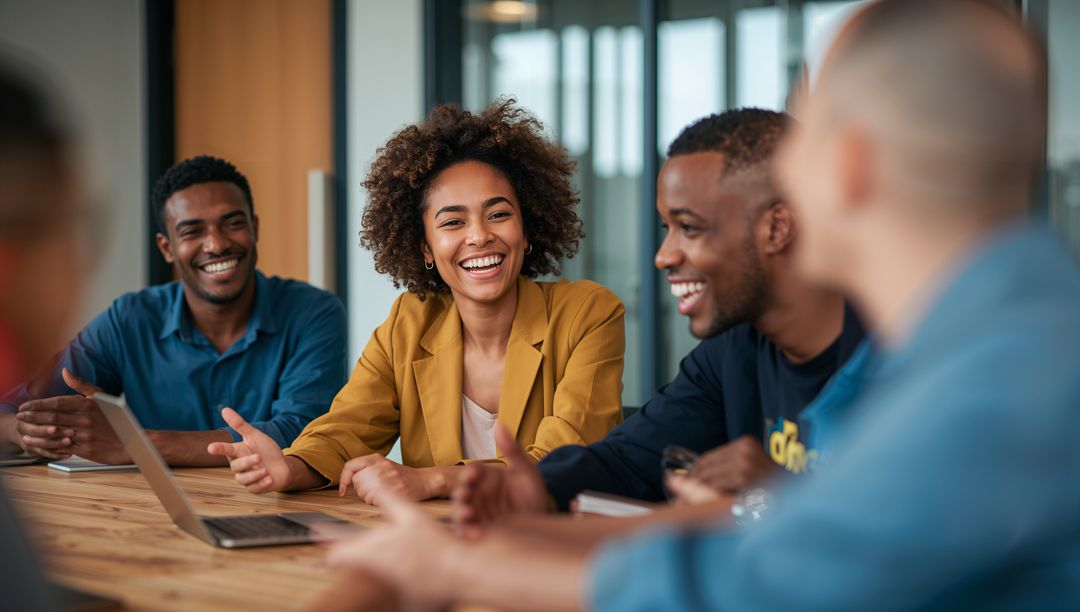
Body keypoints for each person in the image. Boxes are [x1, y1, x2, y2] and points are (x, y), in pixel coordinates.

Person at [324, 1, 1080, 610]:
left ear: (846, 163)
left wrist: (462, 571)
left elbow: (772, 580)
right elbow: (755, 530)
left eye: (804, 138)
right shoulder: (966, 338)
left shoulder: (999, 378)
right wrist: (488, 533)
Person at [452, 108, 864, 533]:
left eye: (690, 228)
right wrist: (538, 488)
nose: (663, 256)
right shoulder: (731, 352)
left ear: (776, 228)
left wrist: (777, 498)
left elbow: (909, 552)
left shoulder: (898, 357)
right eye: (667, 227)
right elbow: (627, 460)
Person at [211, 99, 625, 505]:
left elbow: (565, 461)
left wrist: (432, 480)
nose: (479, 235)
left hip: (556, 548)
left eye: (499, 214)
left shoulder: (587, 313)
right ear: (426, 247)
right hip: (438, 545)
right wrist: (290, 467)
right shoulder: (411, 321)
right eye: (453, 222)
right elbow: (347, 428)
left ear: (527, 226)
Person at [0, 155, 348, 465]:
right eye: (192, 231)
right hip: (149, 517)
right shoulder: (130, 319)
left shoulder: (313, 312)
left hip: (273, 510)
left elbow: (302, 432)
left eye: (233, 223)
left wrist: (135, 444)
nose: (216, 244)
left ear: (254, 228)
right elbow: (12, 410)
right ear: (167, 248)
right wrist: (31, 430)